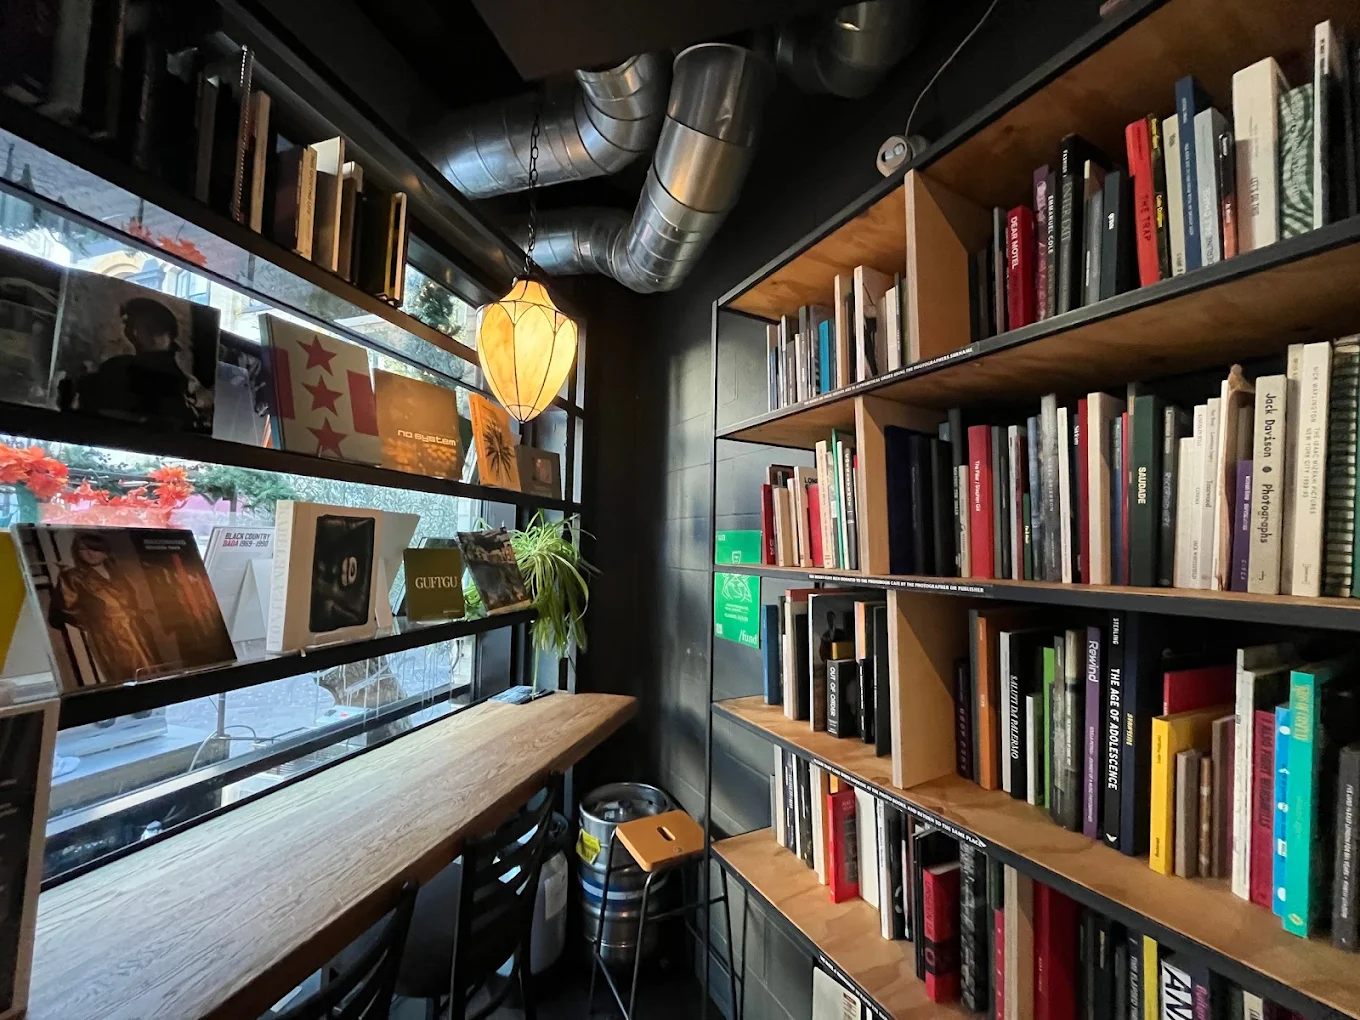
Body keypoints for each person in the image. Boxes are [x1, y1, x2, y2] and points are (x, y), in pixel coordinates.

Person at [61, 296, 207, 429]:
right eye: (131, 325)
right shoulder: (116, 368)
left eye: (151, 327)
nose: (134, 332)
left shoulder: (186, 384)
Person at [48, 533, 158, 685]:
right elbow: (65, 607)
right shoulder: (72, 576)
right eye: (82, 549)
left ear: (105, 551)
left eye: (95, 549)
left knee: (150, 669)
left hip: (136, 628)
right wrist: (96, 621)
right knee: (125, 673)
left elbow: (130, 599)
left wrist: (136, 613)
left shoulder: (118, 573)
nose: (90, 553)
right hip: (109, 633)